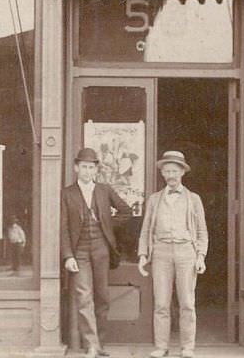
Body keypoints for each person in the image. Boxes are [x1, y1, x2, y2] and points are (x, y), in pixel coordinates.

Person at [61, 147, 132, 358]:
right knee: (84, 296)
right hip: (79, 250)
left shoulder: (104, 190)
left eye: (91, 167)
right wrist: (68, 256)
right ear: (76, 168)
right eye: (83, 167)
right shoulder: (67, 193)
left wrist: (107, 225)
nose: (87, 171)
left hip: (101, 248)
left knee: (102, 297)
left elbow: (126, 211)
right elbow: (63, 227)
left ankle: (99, 342)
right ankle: (91, 345)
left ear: (96, 169)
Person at [138, 150, 208, 358]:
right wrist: (143, 254)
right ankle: (162, 347)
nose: (171, 175)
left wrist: (201, 256)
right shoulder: (154, 200)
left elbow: (203, 231)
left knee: (187, 302)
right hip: (161, 252)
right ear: (163, 174)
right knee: (161, 303)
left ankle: (187, 347)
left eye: (175, 170)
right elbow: (145, 229)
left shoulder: (194, 199)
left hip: (186, 252)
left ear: (182, 173)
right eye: (167, 171)